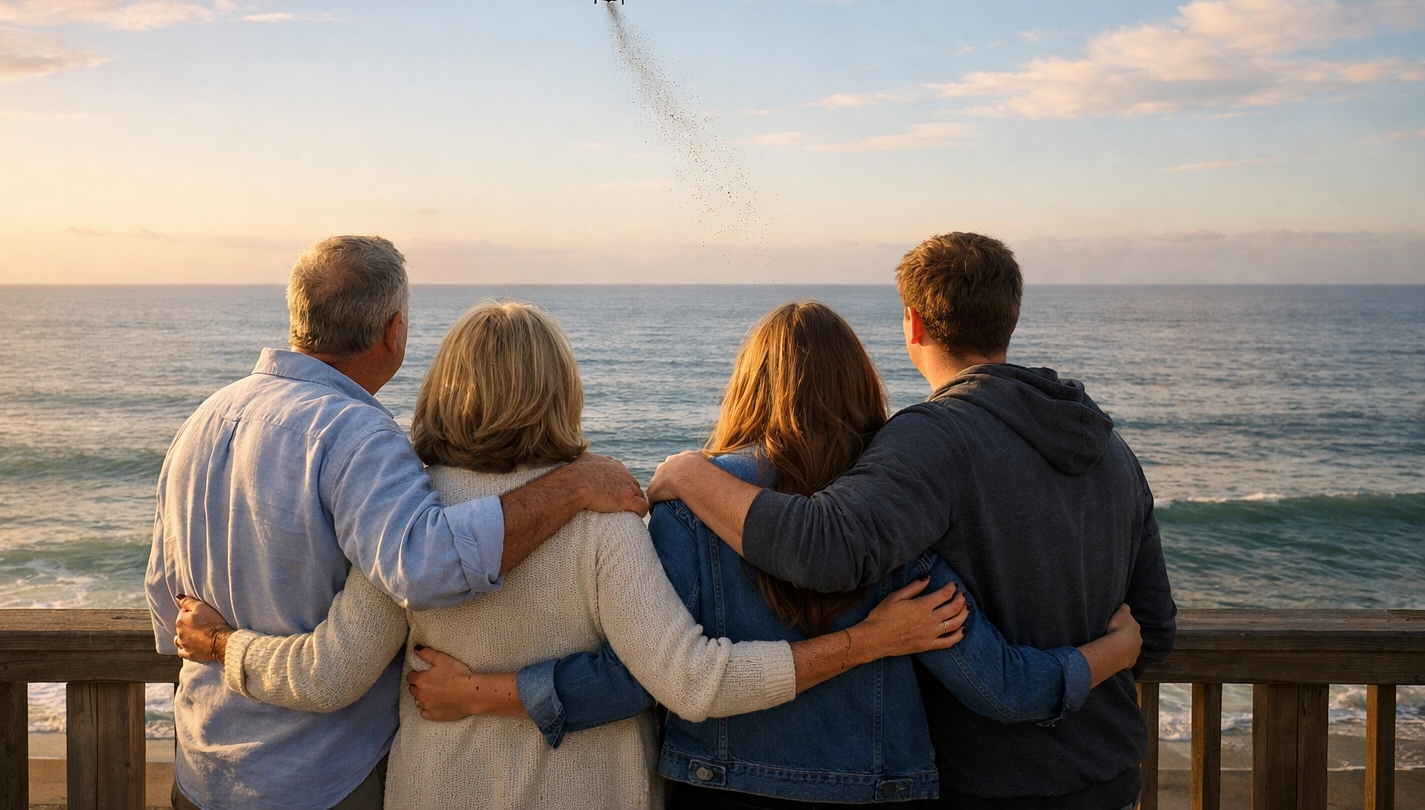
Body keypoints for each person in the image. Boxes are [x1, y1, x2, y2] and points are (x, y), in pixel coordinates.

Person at [172, 299, 983, 810]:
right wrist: (862, 644)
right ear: (562, 388)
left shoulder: (409, 514)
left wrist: (222, 647)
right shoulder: (604, 517)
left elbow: (331, 672)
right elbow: (694, 680)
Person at [398, 300, 1145, 808]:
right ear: (862, 388)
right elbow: (1004, 689)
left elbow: (641, 680)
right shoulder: (891, 515)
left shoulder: (688, 507)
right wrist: (1114, 648)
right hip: (876, 790)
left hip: (719, 786)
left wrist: (487, 692)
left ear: (746, 385)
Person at [646, 234, 1178, 810]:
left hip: (988, 785)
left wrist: (690, 475)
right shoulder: (1111, 449)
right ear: (1010, 318)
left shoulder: (933, 438)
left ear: (913, 323)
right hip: (1113, 774)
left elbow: (827, 551)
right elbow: (1153, 626)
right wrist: (1115, 653)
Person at [144, 236, 650, 810]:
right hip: (320, 779)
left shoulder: (204, 421)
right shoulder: (356, 435)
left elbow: (166, 602)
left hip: (204, 765)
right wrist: (574, 483)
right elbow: (425, 569)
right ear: (394, 330)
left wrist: (216, 643)